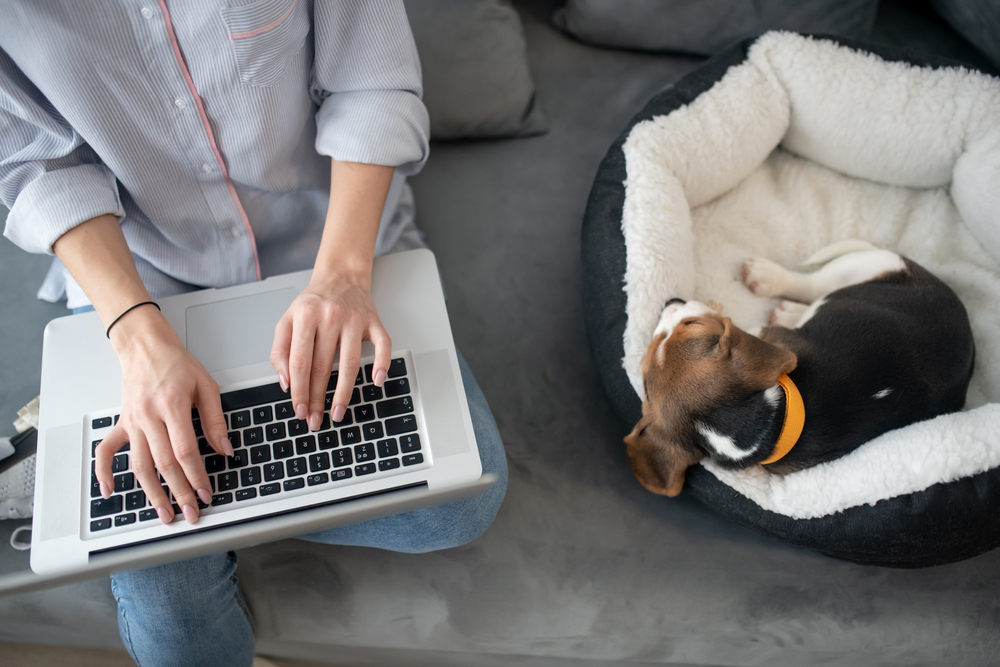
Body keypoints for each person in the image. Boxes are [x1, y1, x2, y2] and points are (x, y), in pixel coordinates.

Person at [0, 2, 507, 665]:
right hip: (140, 276)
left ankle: (182, 504)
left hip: (329, 244)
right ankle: (181, 500)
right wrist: (135, 335)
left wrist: (344, 276)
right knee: (175, 624)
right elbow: (40, 168)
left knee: (466, 495)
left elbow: (373, 85)